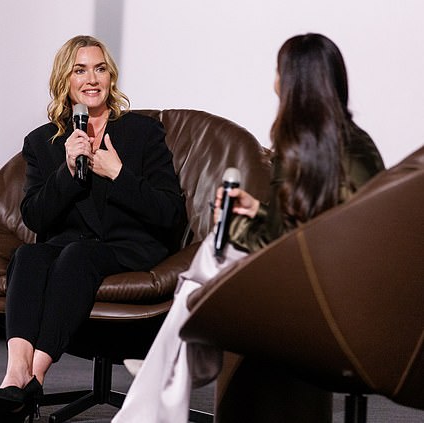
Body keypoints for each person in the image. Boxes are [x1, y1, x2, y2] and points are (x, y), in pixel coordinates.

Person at [112, 33, 385, 423]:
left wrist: (241, 228)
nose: (274, 80)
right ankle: (178, 363)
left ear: (294, 81)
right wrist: (256, 210)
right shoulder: (346, 142)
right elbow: (307, 226)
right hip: (324, 276)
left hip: (328, 291)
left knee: (212, 254)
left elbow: (312, 238)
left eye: (279, 71)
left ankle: (177, 365)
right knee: (214, 254)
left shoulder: (314, 147)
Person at [0, 35, 186, 423]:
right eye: (80, 70)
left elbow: (169, 212)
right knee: (28, 255)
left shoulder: (142, 132)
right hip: (72, 245)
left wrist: (118, 174)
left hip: (130, 246)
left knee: (76, 255)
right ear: (65, 81)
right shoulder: (43, 142)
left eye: (100, 68)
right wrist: (68, 172)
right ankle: (15, 373)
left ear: (111, 77)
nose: (92, 79)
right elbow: (36, 219)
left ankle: (33, 379)